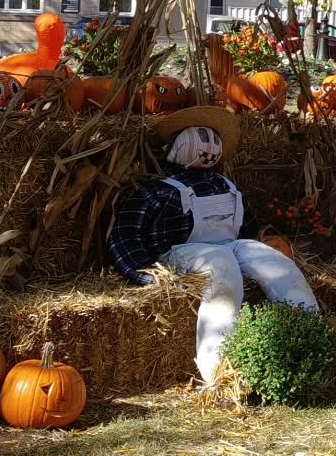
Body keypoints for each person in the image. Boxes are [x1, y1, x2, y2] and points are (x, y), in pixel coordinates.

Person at [109, 105, 320, 383]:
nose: (208, 145)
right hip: (180, 252)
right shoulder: (156, 191)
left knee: (276, 263)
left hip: (228, 246)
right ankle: (219, 368)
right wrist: (147, 276)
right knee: (220, 269)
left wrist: (263, 242)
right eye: (200, 138)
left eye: (213, 139)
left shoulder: (226, 186)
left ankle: (313, 340)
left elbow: (247, 227)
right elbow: (125, 236)